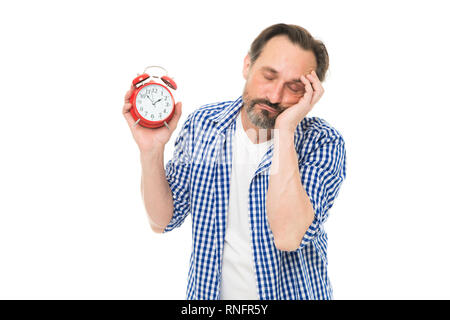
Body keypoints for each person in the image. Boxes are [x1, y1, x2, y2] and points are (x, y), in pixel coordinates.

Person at [122, 23, 346, 300]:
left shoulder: (323, 142)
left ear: (311, 94)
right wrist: (151, 152)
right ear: (247, 66)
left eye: (294, 87)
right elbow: (162, 220)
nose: (275, 96)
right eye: (268, 76)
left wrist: (285, 131)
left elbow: (288, 236)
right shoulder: (204, 125)